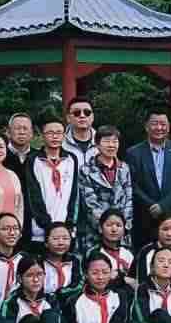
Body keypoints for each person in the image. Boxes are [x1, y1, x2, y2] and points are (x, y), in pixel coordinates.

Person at [125, 111, 171, 247]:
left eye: (163, 124)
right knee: (145, 254)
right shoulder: (133, 153)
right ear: (146, 127)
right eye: (154, 124)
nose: (159, 128)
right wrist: (151, 205)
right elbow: (132, 184)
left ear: (168, 127)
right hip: (145, 215)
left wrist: (163, 206)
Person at [25, 113, 82, 242]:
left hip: (66, 228)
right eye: (50, 133)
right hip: (40, 229)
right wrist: (46, 223)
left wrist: (69, 222)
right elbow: (33, 195)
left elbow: (74, 193)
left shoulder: (71, 159)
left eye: (59, 133)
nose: (55, 136)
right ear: (42, 135)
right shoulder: (33, 160)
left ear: (64, 135)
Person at [79, 124, 133, 236]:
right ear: (97, 144)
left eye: (115, 141)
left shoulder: (124, 168)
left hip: (121, 230)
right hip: (96, 231)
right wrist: (105, 226)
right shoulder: (86, 170)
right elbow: (89, 204)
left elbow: (129, 199)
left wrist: (123, 225)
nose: (111, 145)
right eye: (107, 141)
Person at [135, 211, 171, 284]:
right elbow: (141, 279)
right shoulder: (146, 250)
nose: (169, 234)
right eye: (165, 229)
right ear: (157, 229)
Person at [89, 208, 136, 284]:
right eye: (109, 225)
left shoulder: (130, 253)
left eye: (118, 225)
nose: (114, 229)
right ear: (100, 229)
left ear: (124, 229)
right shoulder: (93, 253)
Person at [34, 221, 80, 296]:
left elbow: (78, 286)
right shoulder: (37, 263)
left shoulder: (75, 262)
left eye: (65, 238)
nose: (61, 243)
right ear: (46, 243)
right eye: (55, 239)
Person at [61, 96, 97, 164]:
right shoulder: (60, 143)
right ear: (68, 118)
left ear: (92, 117)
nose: (82, 116)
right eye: (76, 113)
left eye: (87, 112)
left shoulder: (102, 142)